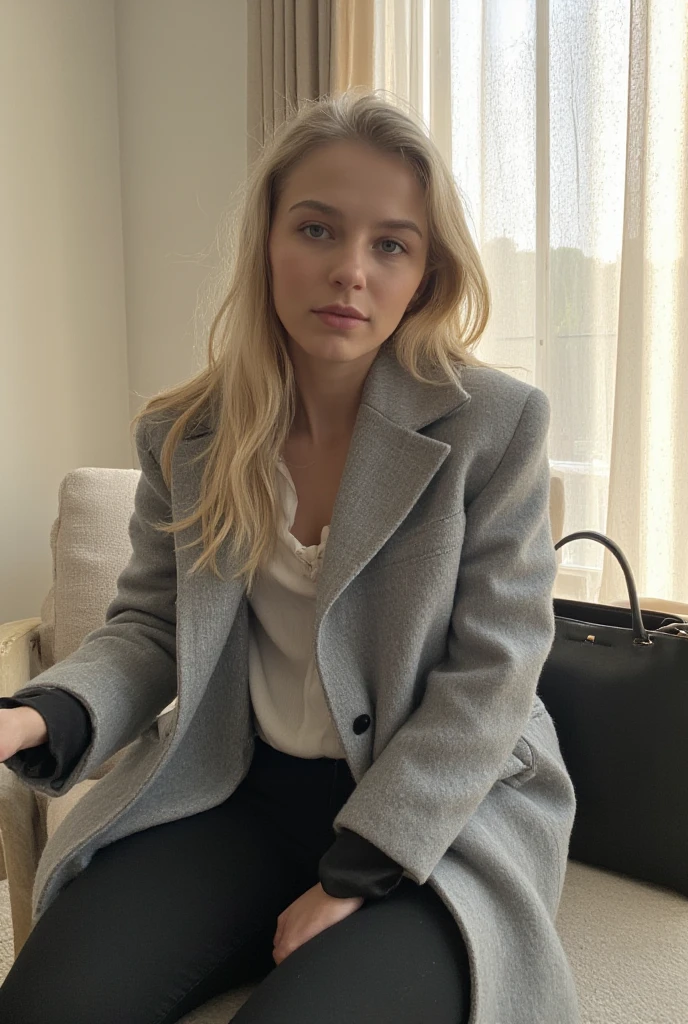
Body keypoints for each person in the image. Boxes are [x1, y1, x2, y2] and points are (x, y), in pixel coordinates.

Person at [0, 88, 580, 1024]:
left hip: (437, 810)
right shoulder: (186, 432)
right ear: (267, 242)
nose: (350, 270)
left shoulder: (496, 426)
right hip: (238, 787)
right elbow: (150, 627)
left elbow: (494, 674)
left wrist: (357, 872)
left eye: (391, 244)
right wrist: (31, 718)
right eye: (317, 229)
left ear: (425, 275)